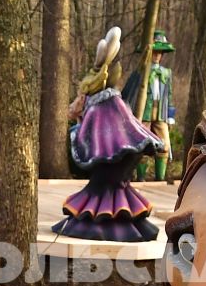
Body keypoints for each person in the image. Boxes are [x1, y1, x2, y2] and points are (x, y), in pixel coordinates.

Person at [55, 27, 164, 242]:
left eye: (81, 96)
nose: (77, 101)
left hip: (114, 172)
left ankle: (106, 222)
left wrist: (77, 130)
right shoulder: (109, 106)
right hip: (116, 171)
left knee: (105, 190)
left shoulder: (99, 109)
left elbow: (91, 145)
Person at [122, 31, 178, 182]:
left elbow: (169, 94)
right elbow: (132, 92)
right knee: (142, 143)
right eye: (155, 52)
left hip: (160, 111)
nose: (157, 56)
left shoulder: (166, 73)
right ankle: (141, 177)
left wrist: (171, 116)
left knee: (164, 144)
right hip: (144, 111)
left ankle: (160, 178)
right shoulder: (141, 72)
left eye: (160, 53)